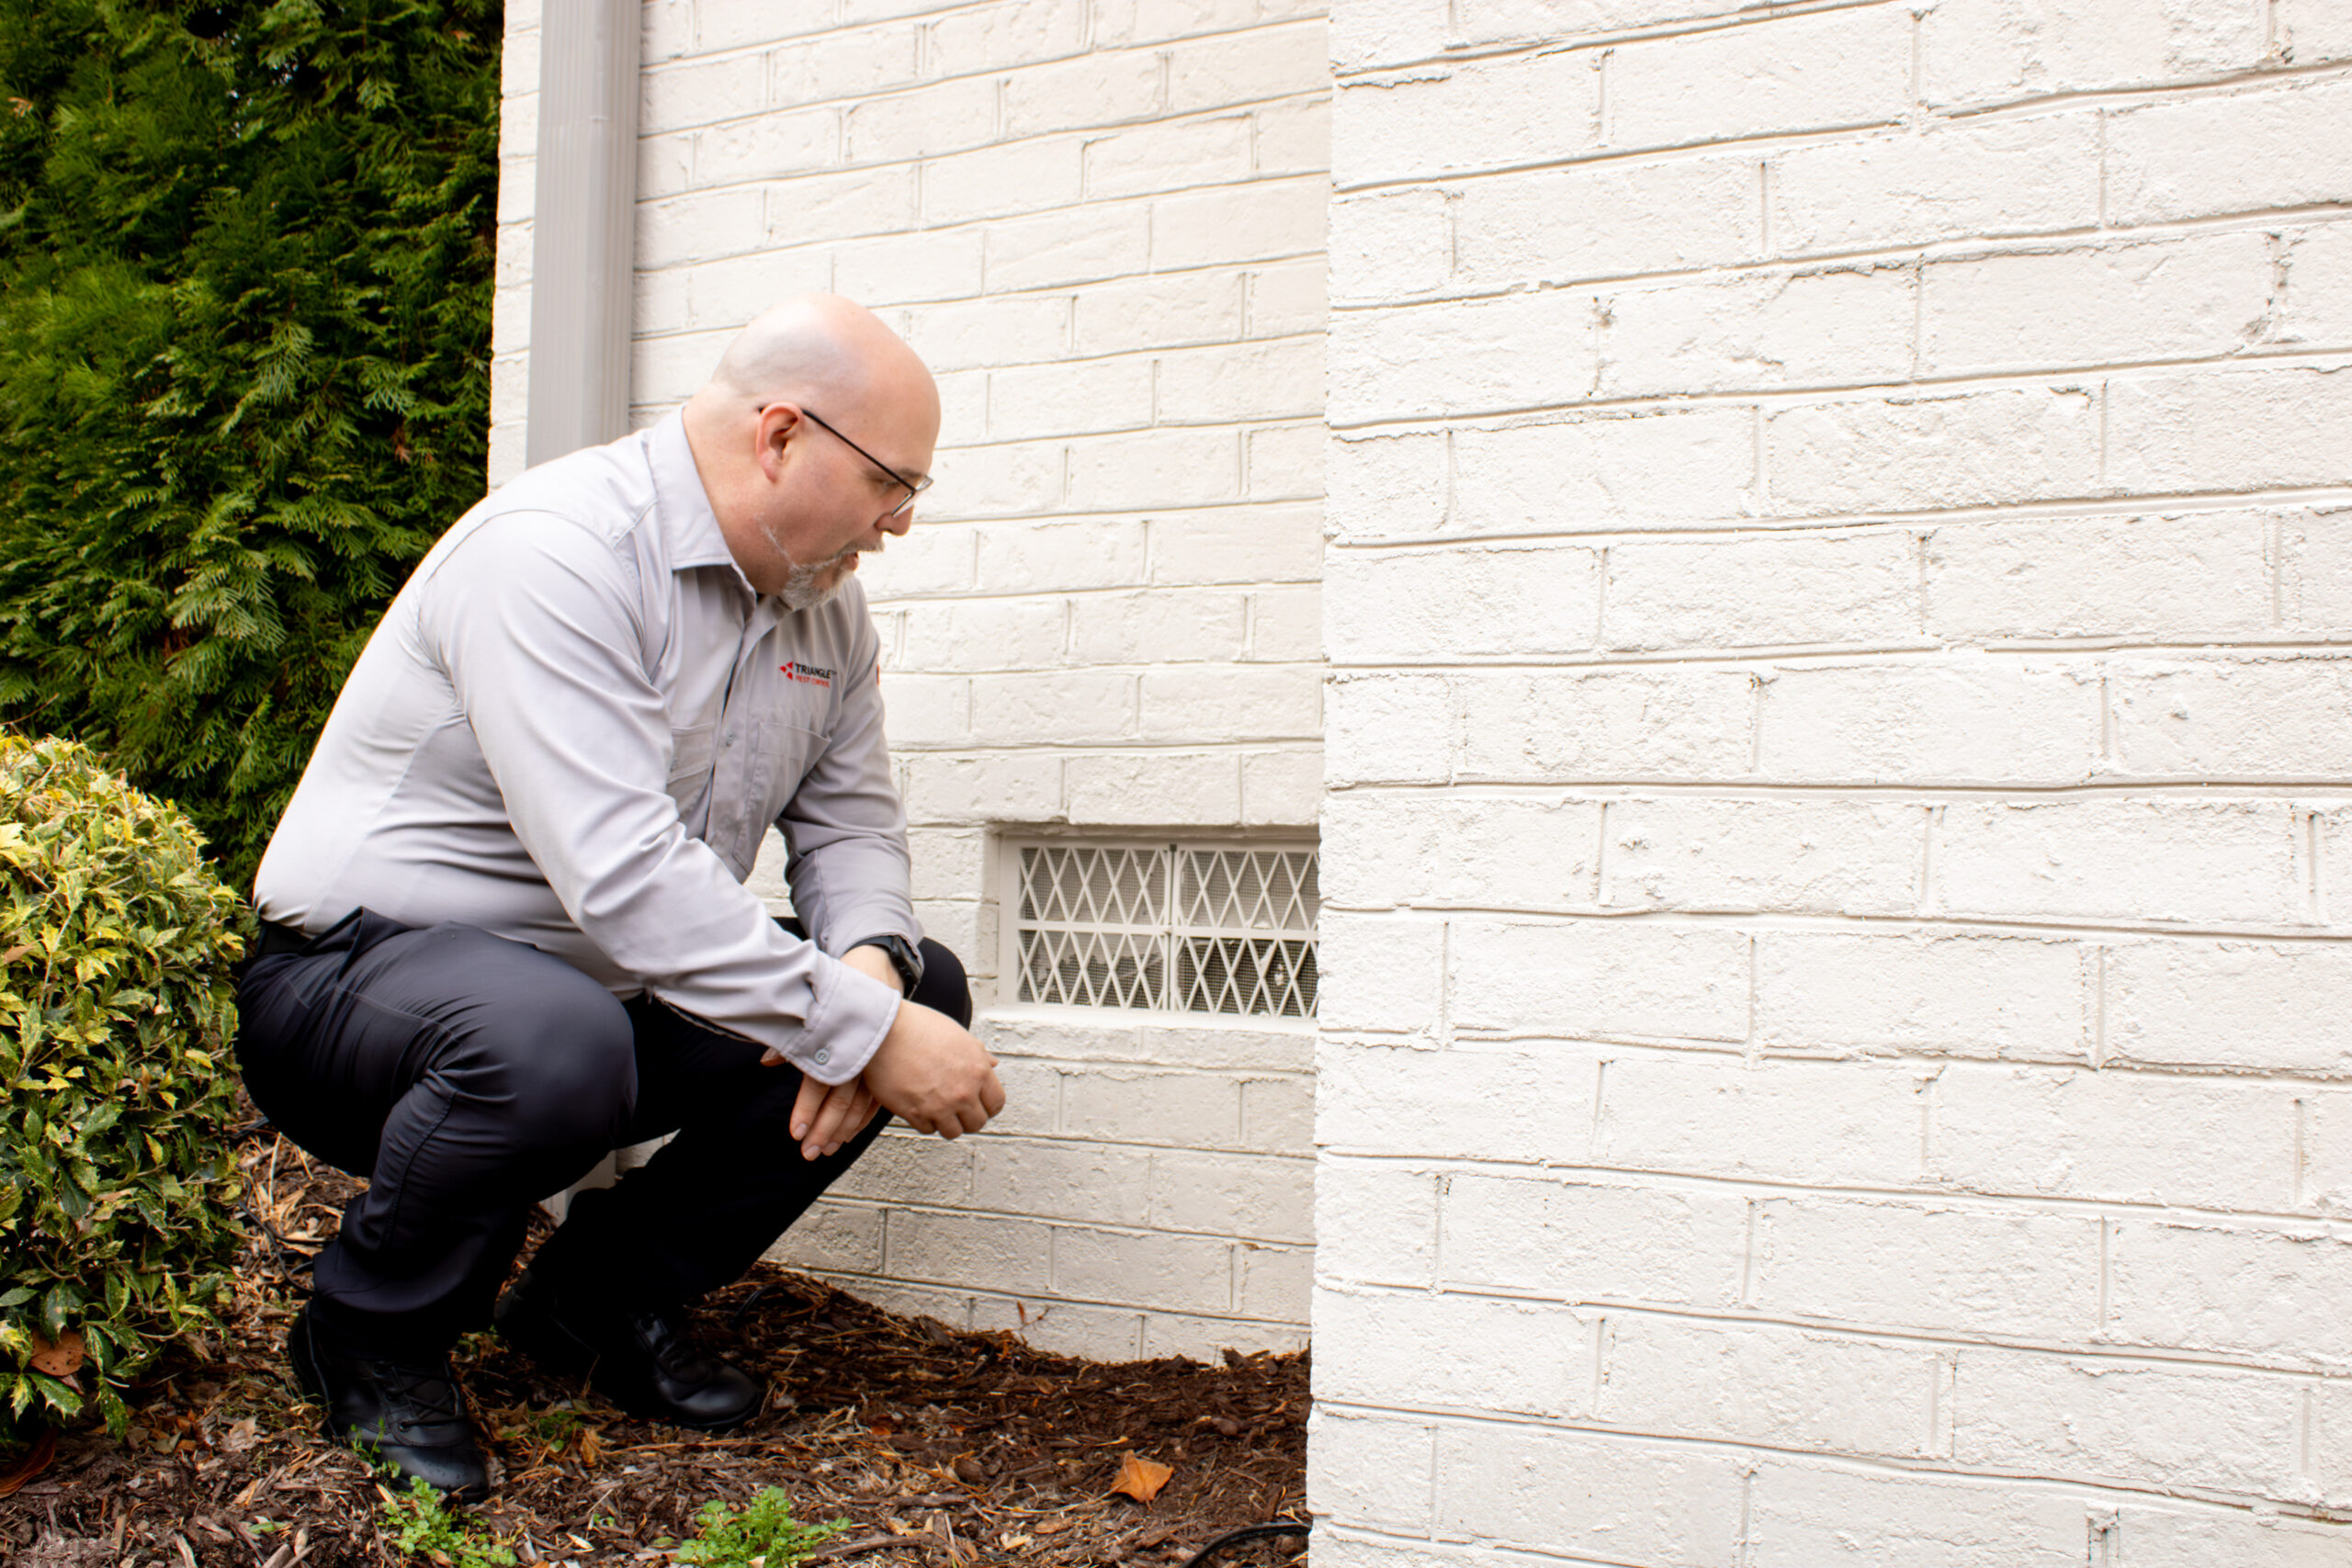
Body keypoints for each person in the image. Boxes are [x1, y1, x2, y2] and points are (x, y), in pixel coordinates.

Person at [235, 295, 1005, 1501]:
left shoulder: (825, 614)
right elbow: (624, 878)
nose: (900, 522)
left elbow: (851, 823)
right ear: (782, 436)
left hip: (591, 1001)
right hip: (353, 992)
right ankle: (368, 1338)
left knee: (921, 982)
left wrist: (869, 972)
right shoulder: (558, 551)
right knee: (563, 1037)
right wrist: (860, 1033)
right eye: (891, 483)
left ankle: (594, 1308)